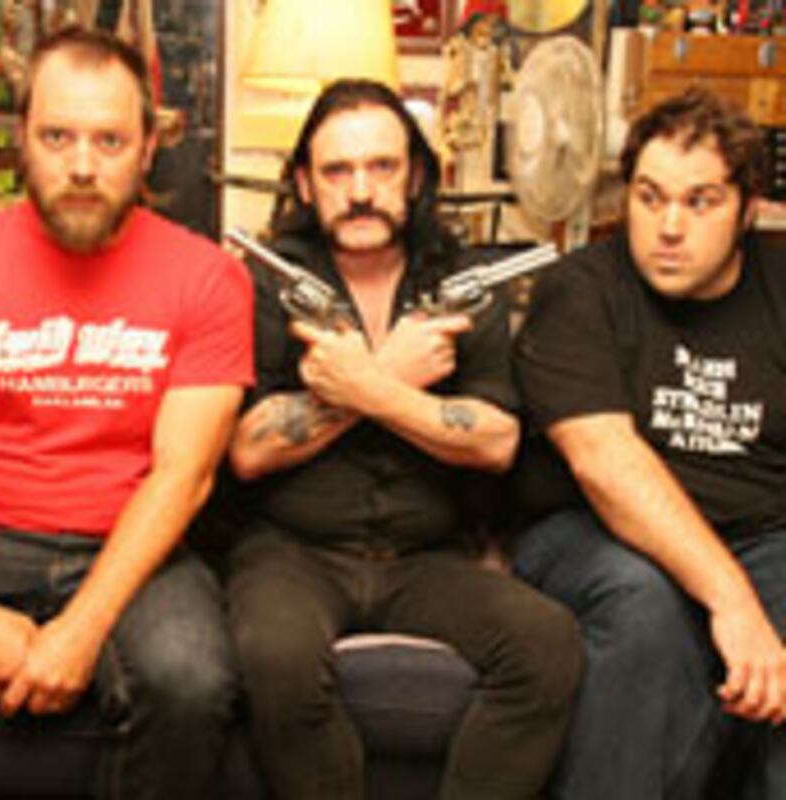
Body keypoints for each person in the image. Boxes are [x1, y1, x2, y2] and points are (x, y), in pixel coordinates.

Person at [226, 78, 583, 800]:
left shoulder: (464, 284)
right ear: (304, 182)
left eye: (382, 167)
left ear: (416, 176)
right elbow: (249, 449)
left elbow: (496, 442)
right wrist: (393, 375)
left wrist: (367, 386)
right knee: (274, 656)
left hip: (428, 557)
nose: (361, 191)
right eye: (337, 171)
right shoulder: (267, 281)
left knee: (549, 647)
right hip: (293, 552)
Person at [0, 26, 252, 800]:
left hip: (134, 543)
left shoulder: (206, 277)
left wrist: (78, 631)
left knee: (190, 680)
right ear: (22, 138)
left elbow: (183, 476)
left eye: (109, 140)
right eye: (57, 137)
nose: (80, 166)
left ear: (148, 149)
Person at [511, 86, 786, 799]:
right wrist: (732, 602)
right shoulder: (579, 289)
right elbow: (606, 465)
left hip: (765, 535)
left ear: (748, 209)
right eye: (649, 196)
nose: (669, 226)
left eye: (701, 202)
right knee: (647, 605)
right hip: (589, 532)